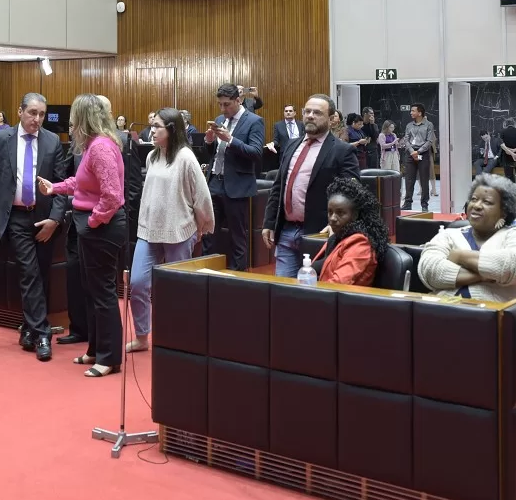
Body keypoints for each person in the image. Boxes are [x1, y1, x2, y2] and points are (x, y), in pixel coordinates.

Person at [0, 93, 69, 362]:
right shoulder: (0, 139)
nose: (37, 119)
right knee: (29, 273)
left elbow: (62, 186)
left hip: (44, 218)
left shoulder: (53, 141)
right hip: (16, 217)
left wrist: (54, 219)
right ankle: (43, 334)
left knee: (41, 275)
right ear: (19, 112)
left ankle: (28, 329)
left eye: (42, 114)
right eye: (32, 113)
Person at [41, 94, 127, 378]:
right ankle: (95, 349)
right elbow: (83, 182)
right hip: (93, 226)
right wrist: (55, 188)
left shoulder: (101, 147)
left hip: (101, 228)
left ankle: (110, 357)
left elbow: (112, 196)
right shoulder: (95, 145)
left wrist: (93, 221)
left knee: (102, 294)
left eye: (74, 118)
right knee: (92, 293)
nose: (70, 124)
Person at [126, 107, 213, 353]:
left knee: (177, 289)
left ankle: (180, 338)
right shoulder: (152, 156)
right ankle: (142, 337)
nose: (151, 131)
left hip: (178, 231)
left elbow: (201, 196)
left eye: (157, 127)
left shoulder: (186, 157)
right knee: (138, 283)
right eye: (152, 125)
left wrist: (202, 226)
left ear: (172, 130)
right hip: (149, 230)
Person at [261, 95, 361, 278]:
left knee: (313, 296)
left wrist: (338, 223)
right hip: (286, 232)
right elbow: (278, 188)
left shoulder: (342, 151)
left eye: (317, 113)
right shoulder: (291, 145)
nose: (310, 116)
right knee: (282, 292)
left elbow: (352, 193)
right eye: (307, 111)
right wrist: (269, 222)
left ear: (331, 119)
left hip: (319, 234)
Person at [418, 175, 516, 303]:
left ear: (504, 211)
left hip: (498, 317)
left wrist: (459, 256)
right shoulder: (448, 235)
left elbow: (514, 266)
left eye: (487, 202)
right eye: (474, 199)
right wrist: (487, 275)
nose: (476, 205)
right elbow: (430, 270)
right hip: (440, 313)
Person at [204, 83, 265, 270]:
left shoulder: (254, 121)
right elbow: (212, 153)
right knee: (208, 234)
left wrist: (230, 139)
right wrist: (208, 141)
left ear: (238, 100)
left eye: (227, 104)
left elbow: (255, 152)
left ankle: (237, 279)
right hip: (214, 182)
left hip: (237, 186)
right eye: (220, 104)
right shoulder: (219, 119)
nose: (223, 109)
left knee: (237, 236)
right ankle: (206, 273)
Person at [313, 178, 390, 286]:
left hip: (342, 301)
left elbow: (337, 284)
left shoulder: (360, 244)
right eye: (330, 212)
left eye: (340, 213)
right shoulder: (336, 237)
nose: (333, 218)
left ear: (355, 215)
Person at [402, 103, 436, 212]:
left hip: (423, 153)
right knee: (409, 179)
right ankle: (407, 203)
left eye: (413, 111)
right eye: (411, 111)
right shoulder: (409, 125)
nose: (411, 113)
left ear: (420, 113)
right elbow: (406, 139)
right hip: (410, 154)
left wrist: (419, 151)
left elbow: (429, 141)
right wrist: (412, 152)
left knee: (424, 179)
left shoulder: (429, 125)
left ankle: (424, 204)